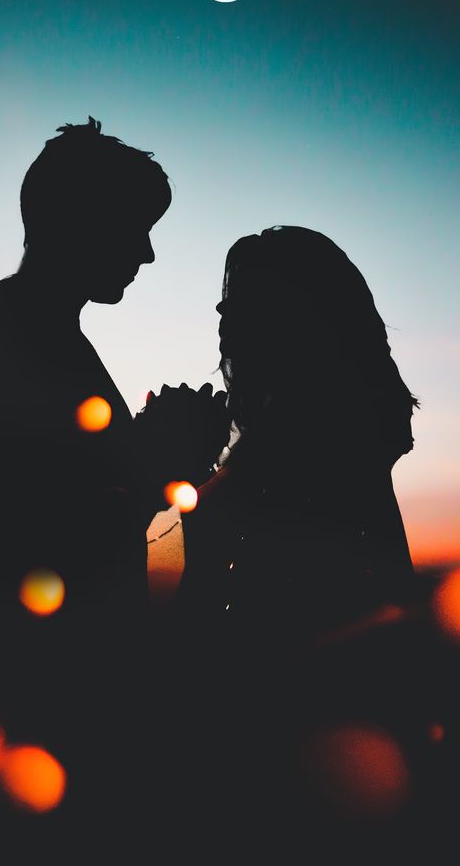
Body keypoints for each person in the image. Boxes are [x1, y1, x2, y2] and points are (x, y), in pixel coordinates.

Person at [0, 116, 230, 624]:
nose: (147, 252)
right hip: (37, 663)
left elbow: (81, 487)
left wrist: (157, 451)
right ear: (80, 222)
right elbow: (12, 526)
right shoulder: (1, 329)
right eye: (135, 228)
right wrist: (161, 463)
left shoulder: (47, 333)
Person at [177, 225, 419, 648]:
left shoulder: (304, 431)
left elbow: (210, 576)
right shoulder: (335, 419)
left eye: (240, 301)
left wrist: (189, 471)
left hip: (295, 667)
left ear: (292, 314)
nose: (220, 311)